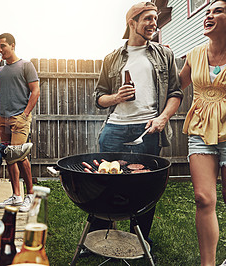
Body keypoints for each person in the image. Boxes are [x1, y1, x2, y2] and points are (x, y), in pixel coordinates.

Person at [92, 1, 183, 247]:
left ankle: (139, 238)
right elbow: (98, 98)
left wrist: (163, 118)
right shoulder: (112, 58)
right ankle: (100, 235)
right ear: (132, 23)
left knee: (146, 186)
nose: (154, 23)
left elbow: (175, 93)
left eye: (155, 18)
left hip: (148, 129)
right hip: (114, 129)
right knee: (105, 181)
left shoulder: (164, 54)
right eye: (148, 19)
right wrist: (116, 97)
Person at [179, 0, 226, 264]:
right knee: (203, 199)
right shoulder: (194, 55)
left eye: (217, 11)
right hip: (199, 131)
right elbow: (176, 87)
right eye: (207, 12)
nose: (209, 15)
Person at [0, 33, 40, 212]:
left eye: (3, 46)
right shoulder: (0, 70)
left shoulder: (26, 65)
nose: (0, 50)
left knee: (19, 155)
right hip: (3, 117)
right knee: (9, 156)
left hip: (20, 117)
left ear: (13, 45)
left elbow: (35, 91)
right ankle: (17, 195)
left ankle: (31, 195)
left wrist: (25, 114)